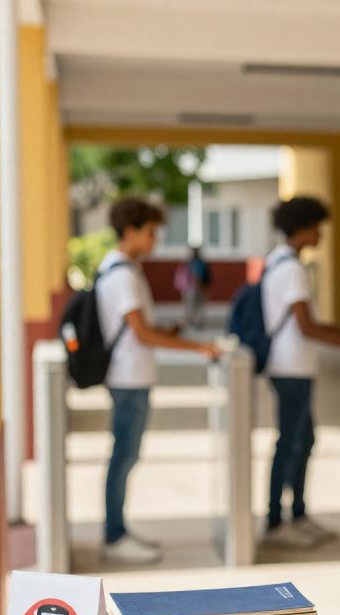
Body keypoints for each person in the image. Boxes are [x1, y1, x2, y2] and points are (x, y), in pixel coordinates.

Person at [97, 197, 220, 564]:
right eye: (150, 232)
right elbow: (141, 335)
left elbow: (141, 329)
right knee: (124, 456)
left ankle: (117, 530)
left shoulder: (121, 270)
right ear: (130, 231)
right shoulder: (122, 275)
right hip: (128, 377)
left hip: (130, 375)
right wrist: (196, 346)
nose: (155, 239)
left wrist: (169, 332)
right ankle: (114, 535)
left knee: (126, 455)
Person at [262, 196, 340, 548]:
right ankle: (276, 520)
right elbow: (306, 326)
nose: (321, 234)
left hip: (289, 365)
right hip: (291, 366)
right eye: (317, 227)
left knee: (303, 440)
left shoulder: (277, 262)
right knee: (290, 442)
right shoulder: (292, 269)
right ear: (302, 228)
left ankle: (297, 512)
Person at [174, 245, 210, 330]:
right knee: (195, 305)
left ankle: (194, 321)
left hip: (191, 287)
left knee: (192, 305)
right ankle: (195, 321)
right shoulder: (197, 262)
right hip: (193, 287)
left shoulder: (192, 262)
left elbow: (200, 276)